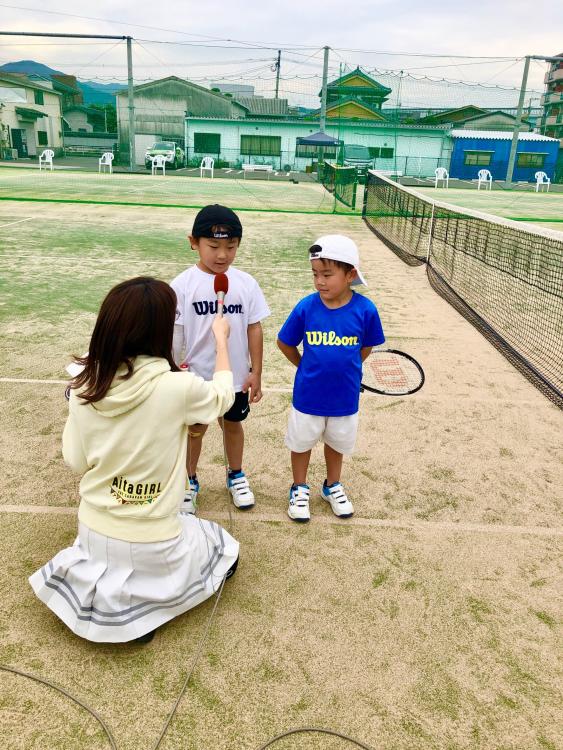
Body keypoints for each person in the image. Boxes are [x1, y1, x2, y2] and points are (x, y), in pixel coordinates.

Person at [29, 277, 239, 644]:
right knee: (222, 547)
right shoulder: (179, 388)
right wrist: (222, 338)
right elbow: (222, 396)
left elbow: (76, 461)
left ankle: (119, 608)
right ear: (159, 331)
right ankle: (139, 610)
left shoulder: (83, 386)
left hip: (92, 533)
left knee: (164, 542)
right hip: (154, 539)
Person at [277, 235, 385, 523]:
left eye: (327, 274)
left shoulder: (365, 310)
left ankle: (331, 485)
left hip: (344, 397)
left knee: (337, 443)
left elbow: (367, 346)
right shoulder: (306, 307)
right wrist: (303, 366)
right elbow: (285, 342)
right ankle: (299, 487)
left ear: (350, 274)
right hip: (308, 395)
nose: (320, 281)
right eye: (315, 274)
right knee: (301, 444)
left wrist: (348, 368)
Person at [171, 204, 270, 513]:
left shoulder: (246, 283)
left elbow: (255, 327)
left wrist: (256, 372)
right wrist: (172, 370)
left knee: (232, 425)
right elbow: (175, 334)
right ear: (193, 242)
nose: (222, 255)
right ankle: (188, 481)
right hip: (196, 378)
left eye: (231, 246)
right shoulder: (182, 285)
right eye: (213, 246)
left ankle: (236, 475)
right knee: (194, 429)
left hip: (237, 377)